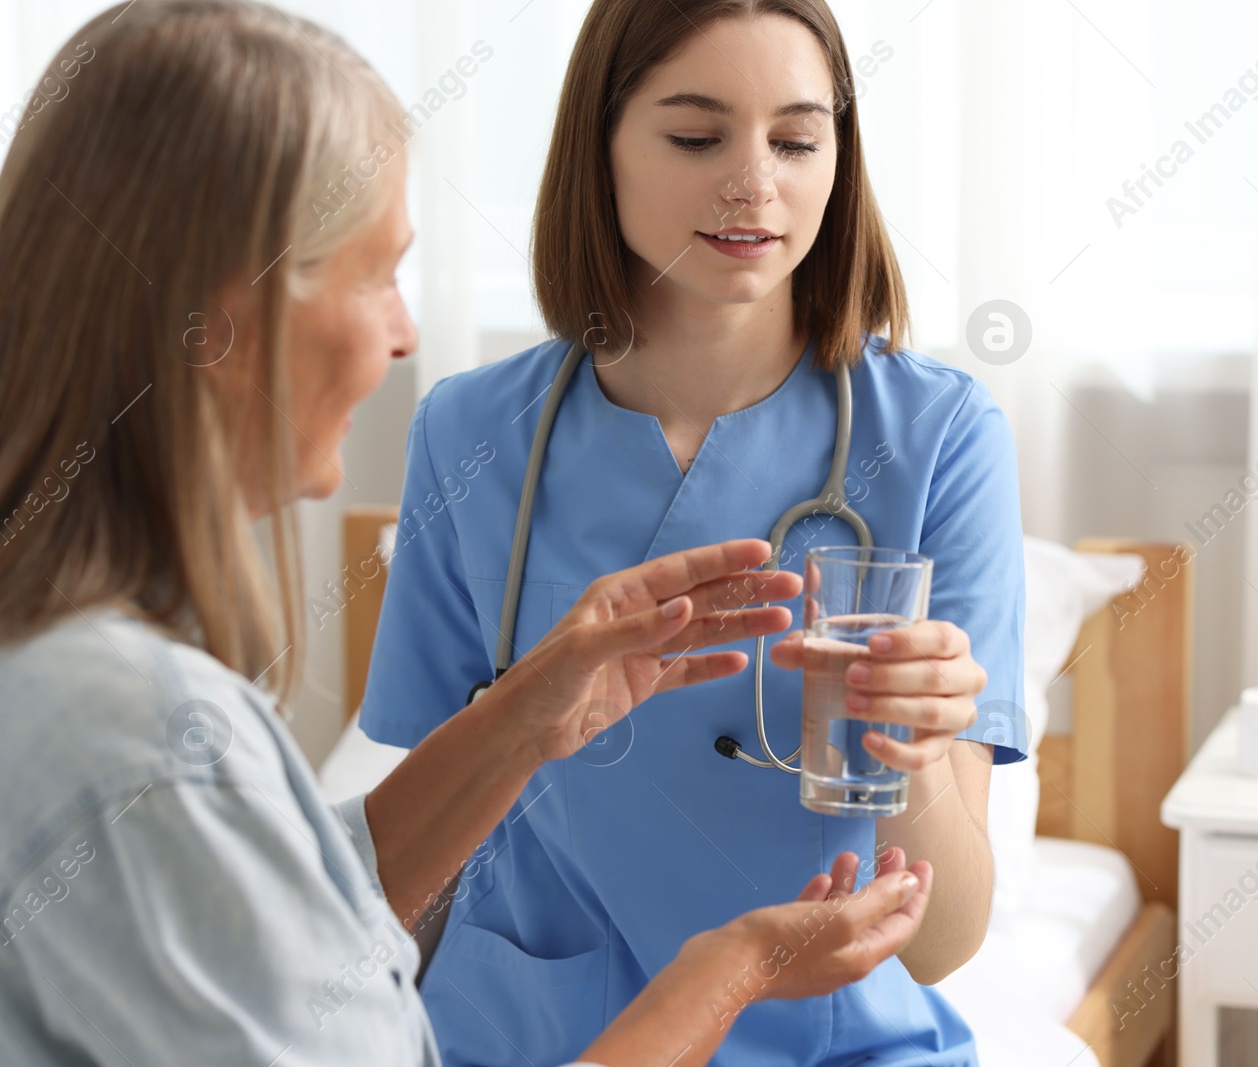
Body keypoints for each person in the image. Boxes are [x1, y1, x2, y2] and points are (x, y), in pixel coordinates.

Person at [0, 3, 934, 1065]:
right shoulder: (142, 735)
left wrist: (525, 719)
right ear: (222, 319)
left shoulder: (71, 667)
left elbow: (292, 907)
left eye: (798, 138)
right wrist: (737, 967)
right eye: (377, 273)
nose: (405, 334)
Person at [359, 0, 1028, 1063]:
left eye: (797, 140)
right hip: (528, 1034)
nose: (754, 182)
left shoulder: (940, 436)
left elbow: (942, 942)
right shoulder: (471, 434)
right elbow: (405, 859)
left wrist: (922, 745)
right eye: (695, 134)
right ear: (602, 147)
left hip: (825, 1042)